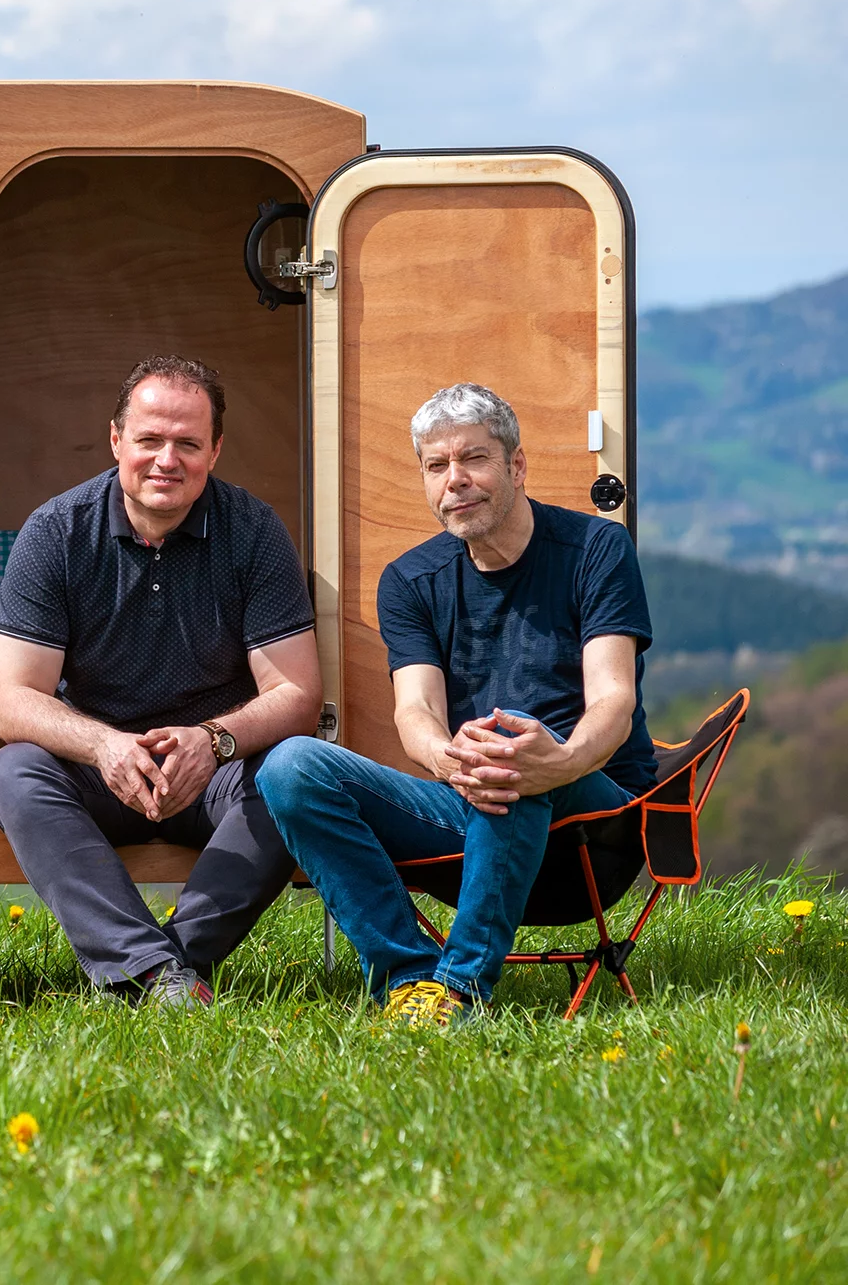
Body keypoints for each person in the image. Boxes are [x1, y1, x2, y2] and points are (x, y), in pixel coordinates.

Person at [256, 382, 656, 1028]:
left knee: (513, 740)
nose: (455, 480)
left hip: (596, 823)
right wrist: (451, 761)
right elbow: (415, 713)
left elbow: (613, 700)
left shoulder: (596, 552)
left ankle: (463, 989)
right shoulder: (410, 581)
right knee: (289, 766)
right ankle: (410, 979)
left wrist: (556, 760)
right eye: (437, 466)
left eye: (473, 458)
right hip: (470, 807)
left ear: (516, 465)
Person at [0, 356, 323, 1008]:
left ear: (215, 450)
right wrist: (106, 746)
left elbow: (297, 694)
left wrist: (213, 740)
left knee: (295, 776)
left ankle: (162, 968)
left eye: (188, 444)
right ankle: (155, 972)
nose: (167, 459)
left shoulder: (255, 533)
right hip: (100, 769)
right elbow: (11, 698)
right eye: (149, 440)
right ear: (117, 440)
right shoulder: (55, 532)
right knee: (14, 771)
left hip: (217, 770)